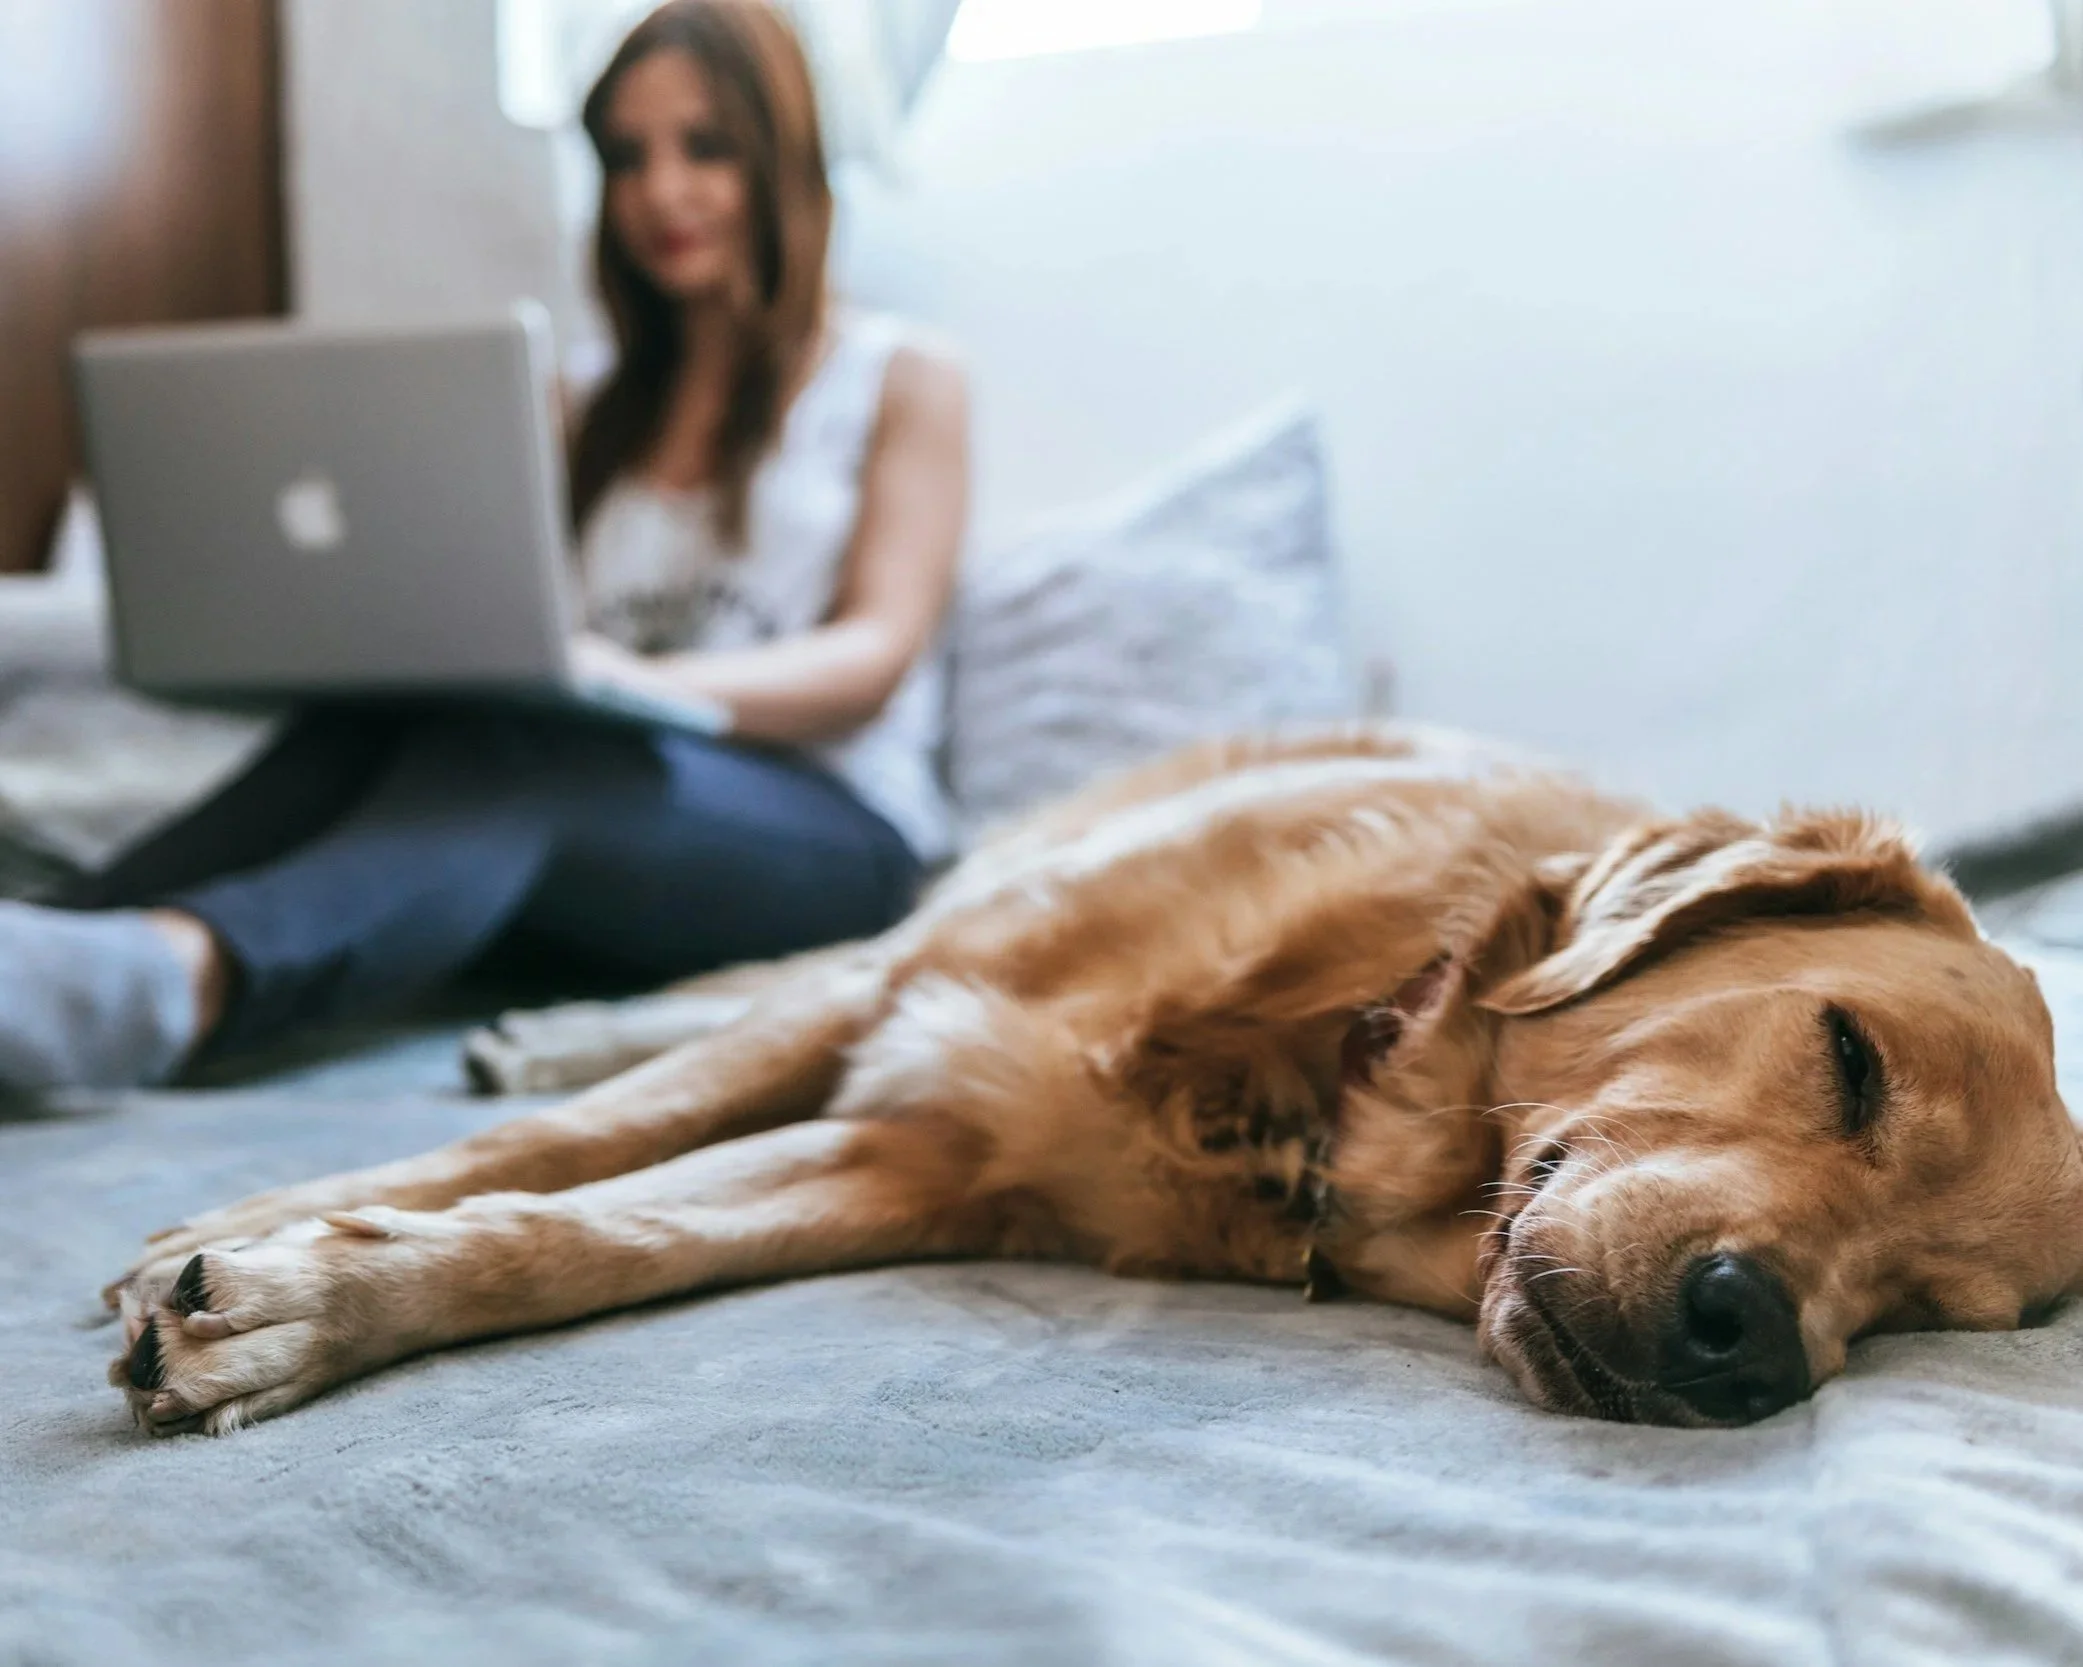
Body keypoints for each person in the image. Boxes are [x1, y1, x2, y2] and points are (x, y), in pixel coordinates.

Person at [0, 0, 967, 1093]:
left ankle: (182, 978)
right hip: (603, 802)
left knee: (527, 758)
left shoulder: (899, 376)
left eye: (705, 149)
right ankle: (54, 939)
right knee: (420, 723)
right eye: (626, 157)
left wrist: (643, 681)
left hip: (829, 833)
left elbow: (875, 654)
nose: (662, 193)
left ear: (779, 159)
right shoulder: (577, 405)